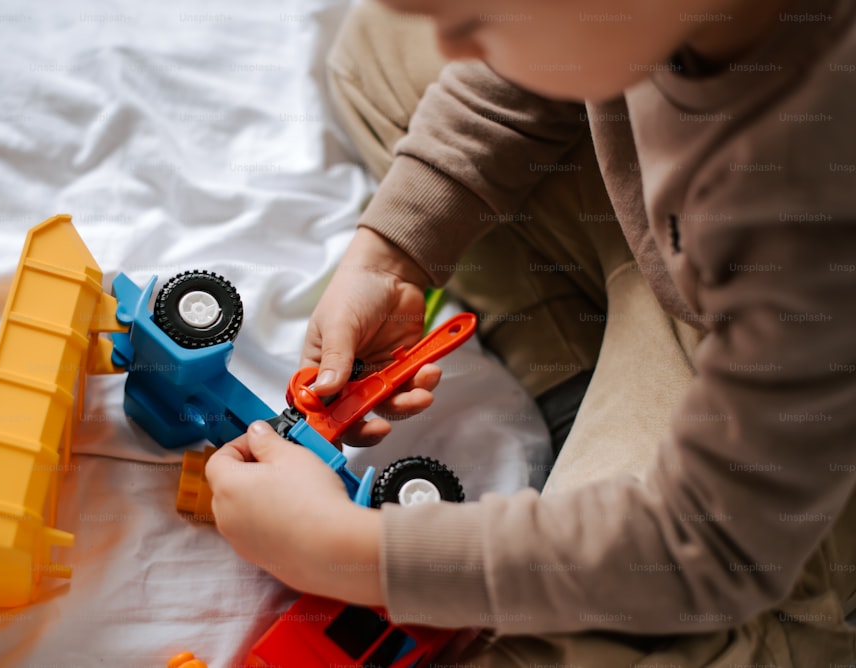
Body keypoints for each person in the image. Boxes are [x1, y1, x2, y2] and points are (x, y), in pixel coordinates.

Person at [206, 0, 856, 664]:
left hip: (783, 436)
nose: (453, 40)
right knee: (377, 49)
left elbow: (714, 549)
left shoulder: (815, 188)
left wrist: (348, 552)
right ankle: (580, 375)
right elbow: (533, 63)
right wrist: (392, 252)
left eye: (479, 15)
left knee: (599, 641)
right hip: (678, 247)